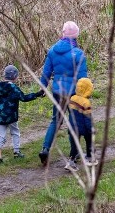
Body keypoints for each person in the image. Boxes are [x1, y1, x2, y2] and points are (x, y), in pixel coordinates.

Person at [38, 21, 88, 166]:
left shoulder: (53, 50)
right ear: (76, 36)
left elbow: (46, 72)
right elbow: (82, 77)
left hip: (58, 92)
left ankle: (45, 149)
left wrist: (43, 87)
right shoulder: (79, 54)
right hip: (73, 93)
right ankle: (74, 154)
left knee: (56, 120)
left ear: (63, 33)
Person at [0, 65, 43, 163]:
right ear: (15, 76)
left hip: (0, 116)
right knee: (15, 132)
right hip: (12, 116)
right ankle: (16, 152)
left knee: (0, 136)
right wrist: (37, 94)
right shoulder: (13, 87)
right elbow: (23, 98)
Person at [63, 77, 96, 171]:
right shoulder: (86, 103)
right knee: (89, 140)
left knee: (74, 146)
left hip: (72, 127)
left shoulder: (72, 98)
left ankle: (70, 162)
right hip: (83, 128)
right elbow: (87, 119)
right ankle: (90, 158)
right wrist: (91, 129)